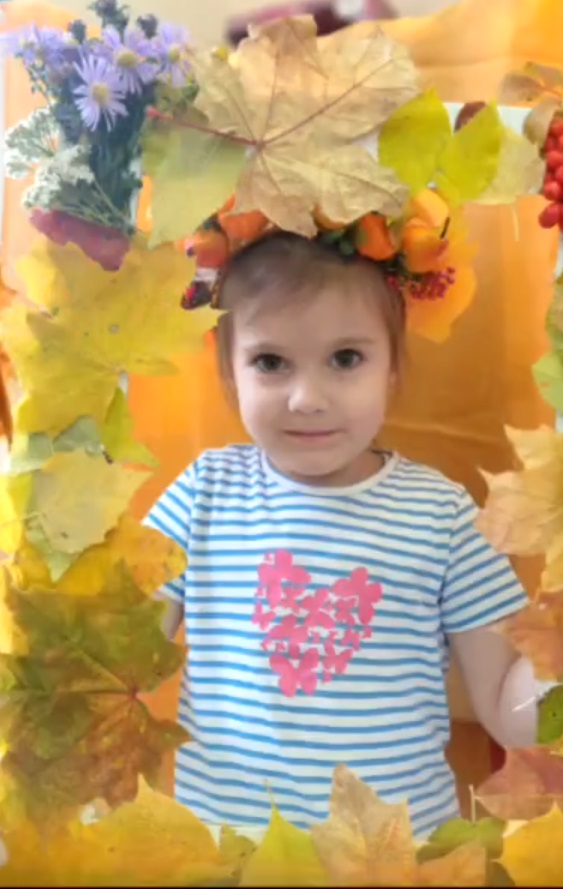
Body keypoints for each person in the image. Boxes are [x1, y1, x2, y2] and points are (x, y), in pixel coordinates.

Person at [146, 227, 539, 839]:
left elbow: (510, 715)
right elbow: (118, 649)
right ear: (228, 372)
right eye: (270, 363)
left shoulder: (441, 515)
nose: (308, 398)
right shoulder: (203, 494)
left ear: (393, 368)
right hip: (227, 861)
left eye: (346, 359)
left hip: (395, 861)